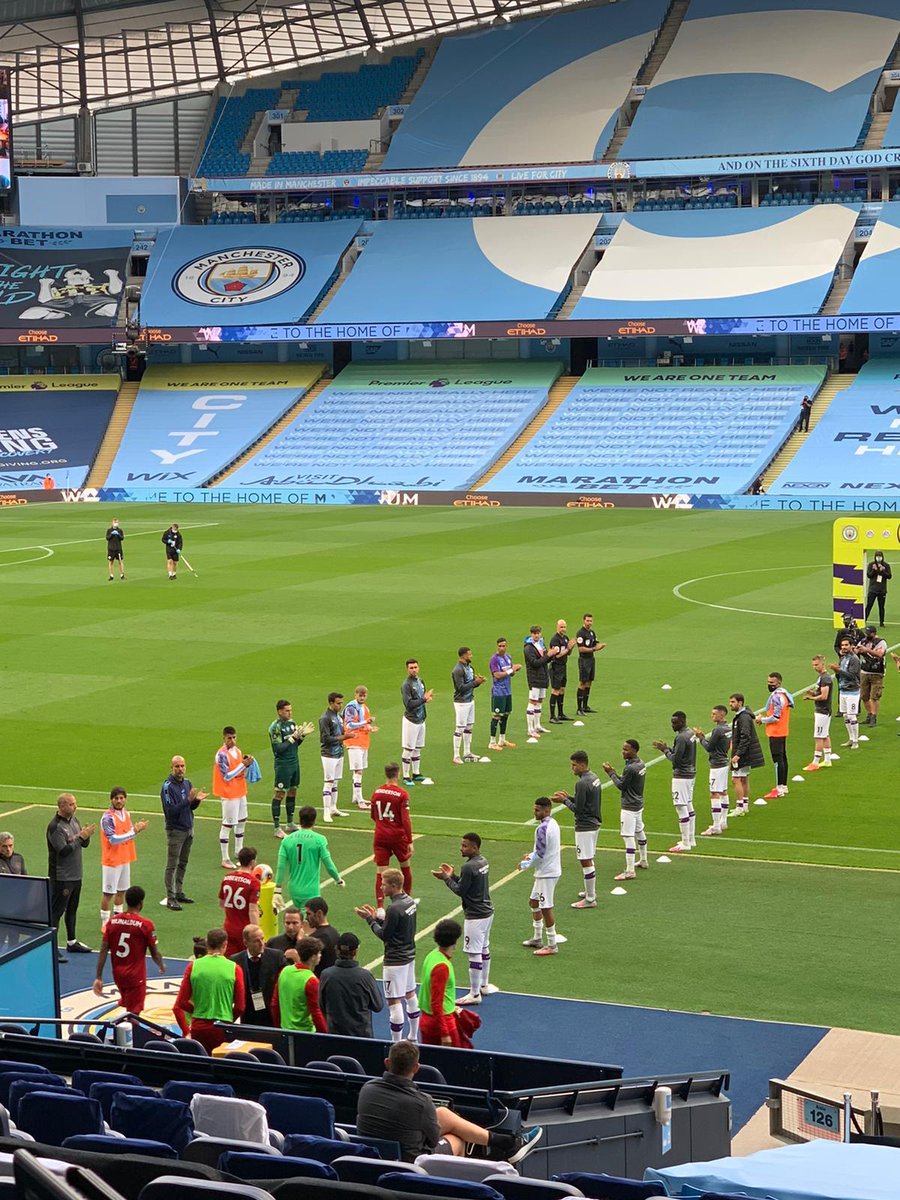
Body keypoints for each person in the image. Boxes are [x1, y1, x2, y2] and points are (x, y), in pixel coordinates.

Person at [356, 1040, 543, 1164]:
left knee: (444, 1114)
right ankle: (507, 1145)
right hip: (411, 1162)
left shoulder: (367, 1089)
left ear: (387, 1063)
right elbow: (432, 1138)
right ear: (416, 1068)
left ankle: (507, 1143)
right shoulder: (421, 1103)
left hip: (377, 1153)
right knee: (457, 1139)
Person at [356, 868, 420, 1042]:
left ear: (393, 885)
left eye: (384, 884)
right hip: (409, 955)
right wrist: (376, 918)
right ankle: (413, 1035)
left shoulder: (394, 907)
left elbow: (384, 934)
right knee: (410, 994)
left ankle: (396, 1043)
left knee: (394, 1001)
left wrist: (370, 920)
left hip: (395, 960)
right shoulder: (410, 902)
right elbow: (395, 927)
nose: (381, 887)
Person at [433, 831, 496, 1005]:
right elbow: (467, 883)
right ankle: (483, 985)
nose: (461, 848)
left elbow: (460, 890)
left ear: (474, 847)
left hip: (475, 915)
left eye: (465, 845)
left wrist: (446, 879)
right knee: (484, 948)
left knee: (474, 953)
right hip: (487, 911)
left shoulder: (468, 866)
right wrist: (452, 876)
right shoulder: (482, 861)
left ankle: (474, 994)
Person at [92, 885, 165, 1017]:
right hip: (135, 977)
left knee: (129, 1007)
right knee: (133, 1015)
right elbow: (154, 952)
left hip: (118, 975)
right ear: (141, 903)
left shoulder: (112, 922)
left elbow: (103, 949)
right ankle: (127, 1035)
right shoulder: (145, 925)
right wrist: (161, 964)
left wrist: (98, 977)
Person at [173, 928, 246, 1053]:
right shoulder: (234, 968)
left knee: (199, 1063)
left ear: (207, 944)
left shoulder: (193, 966)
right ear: (225, 945)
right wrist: (228, 1019)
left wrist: (197, 1012)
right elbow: (240, 1007)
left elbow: (181, 1002)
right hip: (223, 1027)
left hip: (199, 1027)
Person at [47, 793, 95, 962]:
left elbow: (83, 844)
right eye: (72, 804)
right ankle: (50, 948)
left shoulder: (74, 820)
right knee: (57, 912)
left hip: (75, 874)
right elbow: (64, 851)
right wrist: (81, 836)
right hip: (62, 876)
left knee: (72, 909)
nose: (75, 807)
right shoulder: (55, 827)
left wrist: (86, 836)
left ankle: (72, 941)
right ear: (62, 806)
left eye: (75, 804)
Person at [552, 750, 601, 909]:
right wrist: (569, 798)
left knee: (585, 860)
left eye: (574, 765)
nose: (572, 768)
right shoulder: (594, 778)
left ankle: (590, 898)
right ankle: (590, 891)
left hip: (585, 826)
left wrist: (564, 801)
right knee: (589, 858)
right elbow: (586, 802)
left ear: (582, 764)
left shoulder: (581, 783)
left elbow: (579, 809)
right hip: (594, 823)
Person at [274, 806, 344, 912]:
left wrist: (277, 890)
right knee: (310, 924)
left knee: (300, 920)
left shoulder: (287, 840)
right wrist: (338, 880)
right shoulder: (319, 839)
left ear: (299, 819)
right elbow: (329, 865)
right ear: (314, 820)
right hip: (311, 891)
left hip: (293, 889)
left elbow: (280, 866)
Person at [160, 755, 206, 910]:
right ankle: (170, 896)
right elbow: (170, 811)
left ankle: (179, 891)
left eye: (182, 766)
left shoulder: (187, 783)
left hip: (188, 828)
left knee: (183, 862)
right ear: (171, 768)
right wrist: (188, 800)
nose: (180, 769)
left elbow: (190, 807)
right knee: (172, 864)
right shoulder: (167, 787)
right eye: (177, 766)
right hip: (176, 830)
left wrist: (196, 800)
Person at [319, 931, 385, 1037]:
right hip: (361, 1037)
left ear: (337, 949)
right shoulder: (365, 976)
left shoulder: (326, 975)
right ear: (355, 951)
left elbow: (322, 1005)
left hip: (335, 1036)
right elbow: (378, 1006)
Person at [99, 787, 149, 929]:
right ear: (112, 800)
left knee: (121, 891)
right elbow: (113, 839)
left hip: (124, 858)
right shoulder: (107, 817)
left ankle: (117, 919)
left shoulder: (126, 814)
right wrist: (134, 831)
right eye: (116, 798)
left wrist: (136, 829)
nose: (119, 801)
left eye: (122, 798)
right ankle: (105, 923)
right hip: (112, 861)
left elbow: (129, 832)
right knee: (108, 892)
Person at [519, 797, 562, 956]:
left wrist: (525, 863)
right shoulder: (554, 823)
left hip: (547, 873)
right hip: (548, 870)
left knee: (546, 907)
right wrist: (531, 855)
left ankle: (552, 944)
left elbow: (540, 854)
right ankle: (537, 937)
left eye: (537, 810)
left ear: (546, 810)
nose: (534, 812)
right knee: (534, 901)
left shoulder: (542, 829)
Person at [371, 762, 413, 913]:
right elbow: (406, 820)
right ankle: (407, 900)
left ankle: (380, 907)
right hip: (397, 836)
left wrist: (382, 826)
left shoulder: (377, 792)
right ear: (398, 773)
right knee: (405, 866)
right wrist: (409, 840)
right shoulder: (402, 794)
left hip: (380, 834)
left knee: (381, 871)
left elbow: (373, 815)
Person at [602, 739, 648, 879]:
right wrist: (616, 773)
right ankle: (644, 860)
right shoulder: (641, 764)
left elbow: (621, 785)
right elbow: (628, 781)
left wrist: (610, 773)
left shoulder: (630, 768)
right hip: (639, 803)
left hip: (629, 806)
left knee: (628, 836)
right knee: (639, 831)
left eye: (626, 749)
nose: (623, 751)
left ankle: (629, 871)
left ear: (634, 750)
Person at [653, 712, 697, 852]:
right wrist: (668, 749)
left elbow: (675, 760)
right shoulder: (690, 733)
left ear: (682, 721)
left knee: (681, 806)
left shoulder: (681, 737)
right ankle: (691, 839)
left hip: (681, 776)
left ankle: (685, 843)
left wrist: (664, 750)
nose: (673, 725)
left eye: (675, 723)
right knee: (688, 804)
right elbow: (681, 754)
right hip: (690, 773)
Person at [269, 699, 313, 835]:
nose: (290, 712)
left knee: (293, 791)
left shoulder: (292, 723)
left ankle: (290, 823)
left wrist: (302, 736)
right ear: (279, 711)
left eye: (290, 710)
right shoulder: (275, 727)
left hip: (294, 762)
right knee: (279, 793)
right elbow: (278, 748)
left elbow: (295, 744)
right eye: (287, 710)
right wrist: (293, 737)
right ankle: (277, 828)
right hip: (283, 765)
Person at [419, 919, 466, 1047]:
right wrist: (444, 1033)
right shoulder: (442, 966)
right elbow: (436, 1001)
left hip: (427, 1019)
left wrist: (451, 1007)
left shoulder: (432, 955)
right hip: (440, 1023)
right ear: (455, 940)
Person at [230, 923, 286, 1027]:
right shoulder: (236, 960)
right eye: (256, 940)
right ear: (246, 943)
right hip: (247, 1014)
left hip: (270, 1014)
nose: (262, 943)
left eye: (262, 939)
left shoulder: (276, 956)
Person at [213, 726, 253, 868]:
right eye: (229, 738)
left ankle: (238, 850)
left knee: (242, 819)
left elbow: (239, 770)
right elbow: (227, 776)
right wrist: (243, 765)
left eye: (234, 737)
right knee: (228, 824)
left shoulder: (237, 751)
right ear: (224, 738)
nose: (232, 740)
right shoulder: (221, 755)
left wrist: (247, 764)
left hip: (240, 791)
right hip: (229, 793)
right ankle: (225, 858)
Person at [273, 936, 326, 1031]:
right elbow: (316, 1013)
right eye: (319, 953)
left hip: (285, 1030)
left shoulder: (285, 971)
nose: (320, 956)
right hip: (305, 1034)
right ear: (313, 957)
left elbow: (275, 1004)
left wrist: (279, 1027)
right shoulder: (311, 980)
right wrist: (326, 1035)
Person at [692, 706, 732, 835]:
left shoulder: (718, 730)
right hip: (724, 763)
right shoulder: (728, 729)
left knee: (714, 793)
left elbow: (709, 747)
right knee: (724, 791)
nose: (712, 716)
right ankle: (723, 821)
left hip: (717, 765)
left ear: (722, 715)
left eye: (714, 714)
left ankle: (716, 826)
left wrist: (700, 737)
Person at [756, 672, 793, 799]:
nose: (769, 685)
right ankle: (783, 785)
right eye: (768, 682)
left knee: (778, 760)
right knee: (783, 758)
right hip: (782, 730)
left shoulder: (777, 697)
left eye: (771, 683)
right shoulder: (784, 694)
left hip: (776, 731)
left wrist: (762, 719)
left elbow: (776, 717)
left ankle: (779, 788)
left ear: (778, 683)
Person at [219, 847, 262, 958]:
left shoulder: (227, 877)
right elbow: (253, 910)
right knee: (246, 962)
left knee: (229, 961)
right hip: (245, 931)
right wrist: (257, 931)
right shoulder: (254, 882)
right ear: (252, 862)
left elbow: (221, 903)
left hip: (228, 927)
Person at [729, 693, 765, 816]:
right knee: (744, 778)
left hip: (743, 753)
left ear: (740, 703)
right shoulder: (743, 716)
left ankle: (739, 807)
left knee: (736, 779)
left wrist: (738, 754)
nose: (730, 704)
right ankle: (744, 806)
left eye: (733, 702)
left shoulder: (743, 718)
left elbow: (745, 737)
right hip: (746, 752)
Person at [320, 691, 353, 823]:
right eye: (338, 703)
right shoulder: (325, 718)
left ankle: (333, 807)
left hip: (338, 753)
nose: (340, 705)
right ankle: (326, 812)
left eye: (341, 703)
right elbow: (325, 738)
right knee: (328, 782)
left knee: (335, 782)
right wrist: (344, 737)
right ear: (331, 703)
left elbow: (341, 731)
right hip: (329, 754)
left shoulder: (338, 716)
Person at [344, 686, 377, 809]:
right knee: (358, 771)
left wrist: (370, 728)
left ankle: (356, 797)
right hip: (354, 742)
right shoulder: (351, 708)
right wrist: (366, 723)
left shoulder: (364, 708)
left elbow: (365, 724)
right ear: (355, 695)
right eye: (360, 695)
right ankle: (360, 801)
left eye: (364, 695)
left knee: (358, 771)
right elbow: (350, 725)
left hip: (363, 742)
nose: (362, 697)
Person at [451, 647, 486, 764]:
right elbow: (460, 688)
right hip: (461, 702)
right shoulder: (458, 670)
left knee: (469, 727)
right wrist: (475, 682)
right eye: (469, 655)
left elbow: (471, 685)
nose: (471, 656)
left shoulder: (470, 668)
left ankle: (467, 752)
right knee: (460, 728)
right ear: (463, 656)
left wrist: (478, 682)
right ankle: (456, 755)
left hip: (470, 700)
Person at [401, 659, 432, 785]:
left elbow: (422, 698)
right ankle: (406, 776)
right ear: (407, 669)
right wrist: (424, 700)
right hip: (411, 720)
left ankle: (416, 773)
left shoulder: (420, 681)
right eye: (411, 668)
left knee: (418, 748)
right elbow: (408, 704)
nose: (413, 669)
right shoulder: (406, 685)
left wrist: (427, 699)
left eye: (415, 667)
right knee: (408, 748)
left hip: (421, 719)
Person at [488, 637, 521, 751]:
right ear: (497, 646)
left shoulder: (508, 657)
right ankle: (492, 742)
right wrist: (511, 670)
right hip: (498, 692)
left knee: (506, 715)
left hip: (507, 691)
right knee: (496, 716)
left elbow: (511, 674)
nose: (501, 648)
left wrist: (515, 669)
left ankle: (502, 739)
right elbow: (496, 675)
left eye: (503, 646)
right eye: (499, 646)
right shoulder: (494, 659)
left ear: (506, 646)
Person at [524, 626, 555, 740]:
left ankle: (537, 725)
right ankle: (530, 729)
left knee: (540, 701)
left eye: (538, 633)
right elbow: (535, 663)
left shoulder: (541, 644)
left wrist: (552, 654)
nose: (536, 635)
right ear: (531, 634)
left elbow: (546, 660)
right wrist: (548, 655)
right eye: (534, 633)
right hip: (534, 678)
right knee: (532, 701)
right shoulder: (528, 648)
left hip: (543, 676)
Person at [803, 655, 834, 770]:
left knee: (818, 736)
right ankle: (827, 760)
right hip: (825, 710)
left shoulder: (825, 678)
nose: (814, 667)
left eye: (816, 665)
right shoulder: (822, 677)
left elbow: (824, 696)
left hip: (822, 711)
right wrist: (813, 693)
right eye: (813, 665)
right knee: (825, 735)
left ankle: (815, 762)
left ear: (822, 664)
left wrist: (810, 698)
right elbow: (820, 693)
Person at [831, 637, 861, 750]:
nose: (843, 647)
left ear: (851, 645)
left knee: (852, 715)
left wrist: (838, 670)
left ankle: (855, 741)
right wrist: (836, 671)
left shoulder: (854, 659)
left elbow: (852, 676)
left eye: (846, 645)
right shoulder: (843, 658)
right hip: (843, 690)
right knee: (845, 716)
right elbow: (841, 675)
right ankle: (850, 738)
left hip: (852, 691)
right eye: (842, 645)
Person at [574, 613, 605, 716]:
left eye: (591, 621)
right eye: (587, 621)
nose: (589, 623)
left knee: (589, 682)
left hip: (591, 659)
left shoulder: (591, 633)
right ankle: (579, 708)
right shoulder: (580, 633)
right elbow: (581, 648)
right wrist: (594, 649)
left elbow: (595, 643)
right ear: (583, 621)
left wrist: (599, 646)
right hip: (584, 660)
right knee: (582, 682)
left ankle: (585, 706)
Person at [858, 624, 887, 726]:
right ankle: (869, 715)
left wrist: (866, 650)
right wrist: (856, 649)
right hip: (864, 671)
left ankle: (874, 717)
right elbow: (857, 650)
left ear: (874, 633)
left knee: (874, 696)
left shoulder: (881, 642)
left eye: (868, 633)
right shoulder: (863, 641)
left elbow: (880, 654)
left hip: (877, 672)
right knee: (864, 696)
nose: (866, 635)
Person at [548, 619, 575, 724]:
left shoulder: (565, 638)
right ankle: (552, 716)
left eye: (564, 627)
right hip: (556, 667)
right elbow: (557, 655)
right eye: (561, 627)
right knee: (555, 690)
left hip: (563, 667)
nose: (563, 629)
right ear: (557, 627)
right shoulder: (555, 640)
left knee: (562, 690)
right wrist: (568, 648)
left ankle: (560, 714)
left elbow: (568, 653)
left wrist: (571, 648)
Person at [305, 896, 340, 976]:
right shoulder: (334, 932)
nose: (306, 918)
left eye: (308, 914)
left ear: (319, 913)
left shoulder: (317, 938)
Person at [865, 551, 891, 626]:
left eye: (880, 556)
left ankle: (881, 622)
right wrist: (874, 570)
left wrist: (883, 570)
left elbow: (889, 576)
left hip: (882, 590)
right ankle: (864, 619)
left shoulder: (886, 565)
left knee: (881, 607)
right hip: (872, 590)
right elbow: (869, 575)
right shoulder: (871, 565)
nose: (878, 558)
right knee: (869, 605)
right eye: (877, 556)